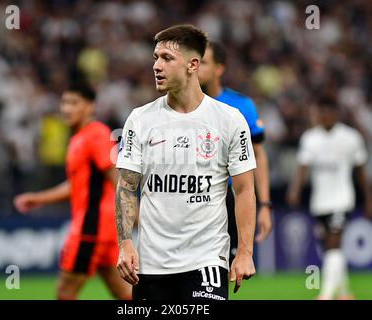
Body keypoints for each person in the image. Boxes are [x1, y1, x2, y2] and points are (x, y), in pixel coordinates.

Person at [115, 24, 257, 300]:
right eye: (155, 57)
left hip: (206, 260)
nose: (156, 65)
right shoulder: (140, 120)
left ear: (193, 64)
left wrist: (244, 252)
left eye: (167, 58)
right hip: (151, 264)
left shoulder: (229, 120)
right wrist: (125, 243)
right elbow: (127, 187)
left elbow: (244, 190)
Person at [13, 82, 131, 300]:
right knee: (125, 295)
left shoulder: (95, 133)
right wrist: (39, 198)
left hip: (91, 228)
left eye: (74, 103)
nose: (67, 109)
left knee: (65, 293)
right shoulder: (79, 138)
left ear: (90, 106)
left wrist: (133, 211)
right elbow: (78, 185)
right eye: (64, 102)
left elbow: (115, 175)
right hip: (105, 229)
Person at [287, 96, 372, 300]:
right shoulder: (310, 138)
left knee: (334, 244)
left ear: (336, 114)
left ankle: (325, 295)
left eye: (329, 112)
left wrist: (370, 200)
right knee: (330, 248)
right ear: (317, 114)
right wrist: (295, 190)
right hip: (320, 203)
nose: (325, 116)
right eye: (322, 112)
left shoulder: (350, 137)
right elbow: (302, 168)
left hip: (342, 200)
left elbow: (361, 171)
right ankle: (345, 292)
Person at [198, 42, 273, 264]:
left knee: (221, 271)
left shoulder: (240, 106)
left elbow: (258, 154)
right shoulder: (176, 106)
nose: (195, 67)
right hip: (186, 200)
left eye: (203, 62)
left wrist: (266, 205)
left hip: (225, 202)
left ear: (219, 69)